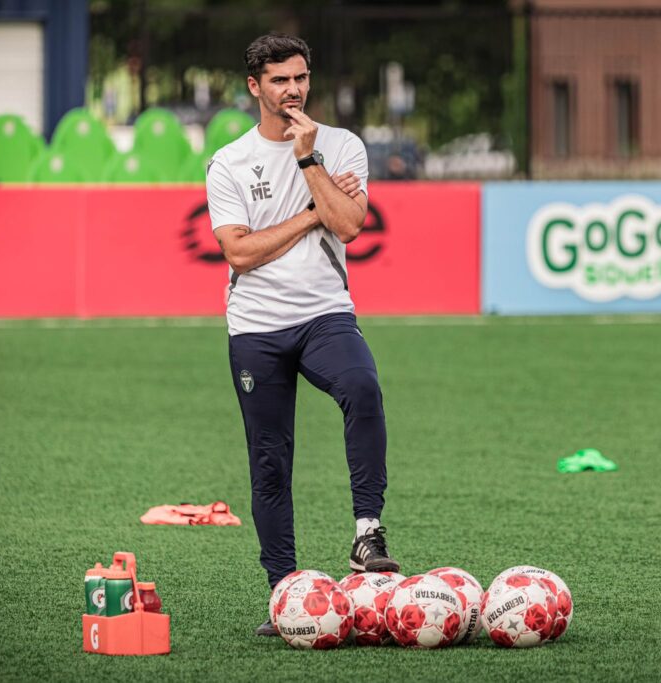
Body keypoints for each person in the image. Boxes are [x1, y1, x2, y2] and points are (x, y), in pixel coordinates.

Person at [206, 33, 399, 637]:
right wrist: (313, 213)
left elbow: (350, 225)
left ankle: (367, 534)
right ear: (254, 87)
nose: (293, 90)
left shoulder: (341, 145)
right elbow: (240, 253)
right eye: (279, 80)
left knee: (362, 387)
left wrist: (309, 160)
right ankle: (283, 594)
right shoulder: (228, 162)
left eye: (300, 77)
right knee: (270, 460)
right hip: (256, 327)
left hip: (325, 314)